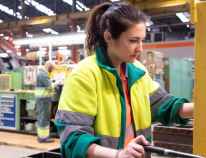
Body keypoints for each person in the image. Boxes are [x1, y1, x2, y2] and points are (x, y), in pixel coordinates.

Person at [55, 2, 194, 158]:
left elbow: (164, 106)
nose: (140, 48)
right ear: (108, 37)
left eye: (142, 40)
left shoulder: (137, 71)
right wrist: (118, 154)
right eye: (133, 41)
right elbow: (73, 139)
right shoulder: (85, 75)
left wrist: (205, 108)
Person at [35, 61, 54, 143]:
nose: (51, 71)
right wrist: (56, 83)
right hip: (43, 100)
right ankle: (43, 138)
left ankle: (43, 136)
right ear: (49, 67)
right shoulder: (43, 74)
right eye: (51, 69)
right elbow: (49, 86)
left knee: (43, 118)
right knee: (43, 118)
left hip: (43, 99)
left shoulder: (42, 73)